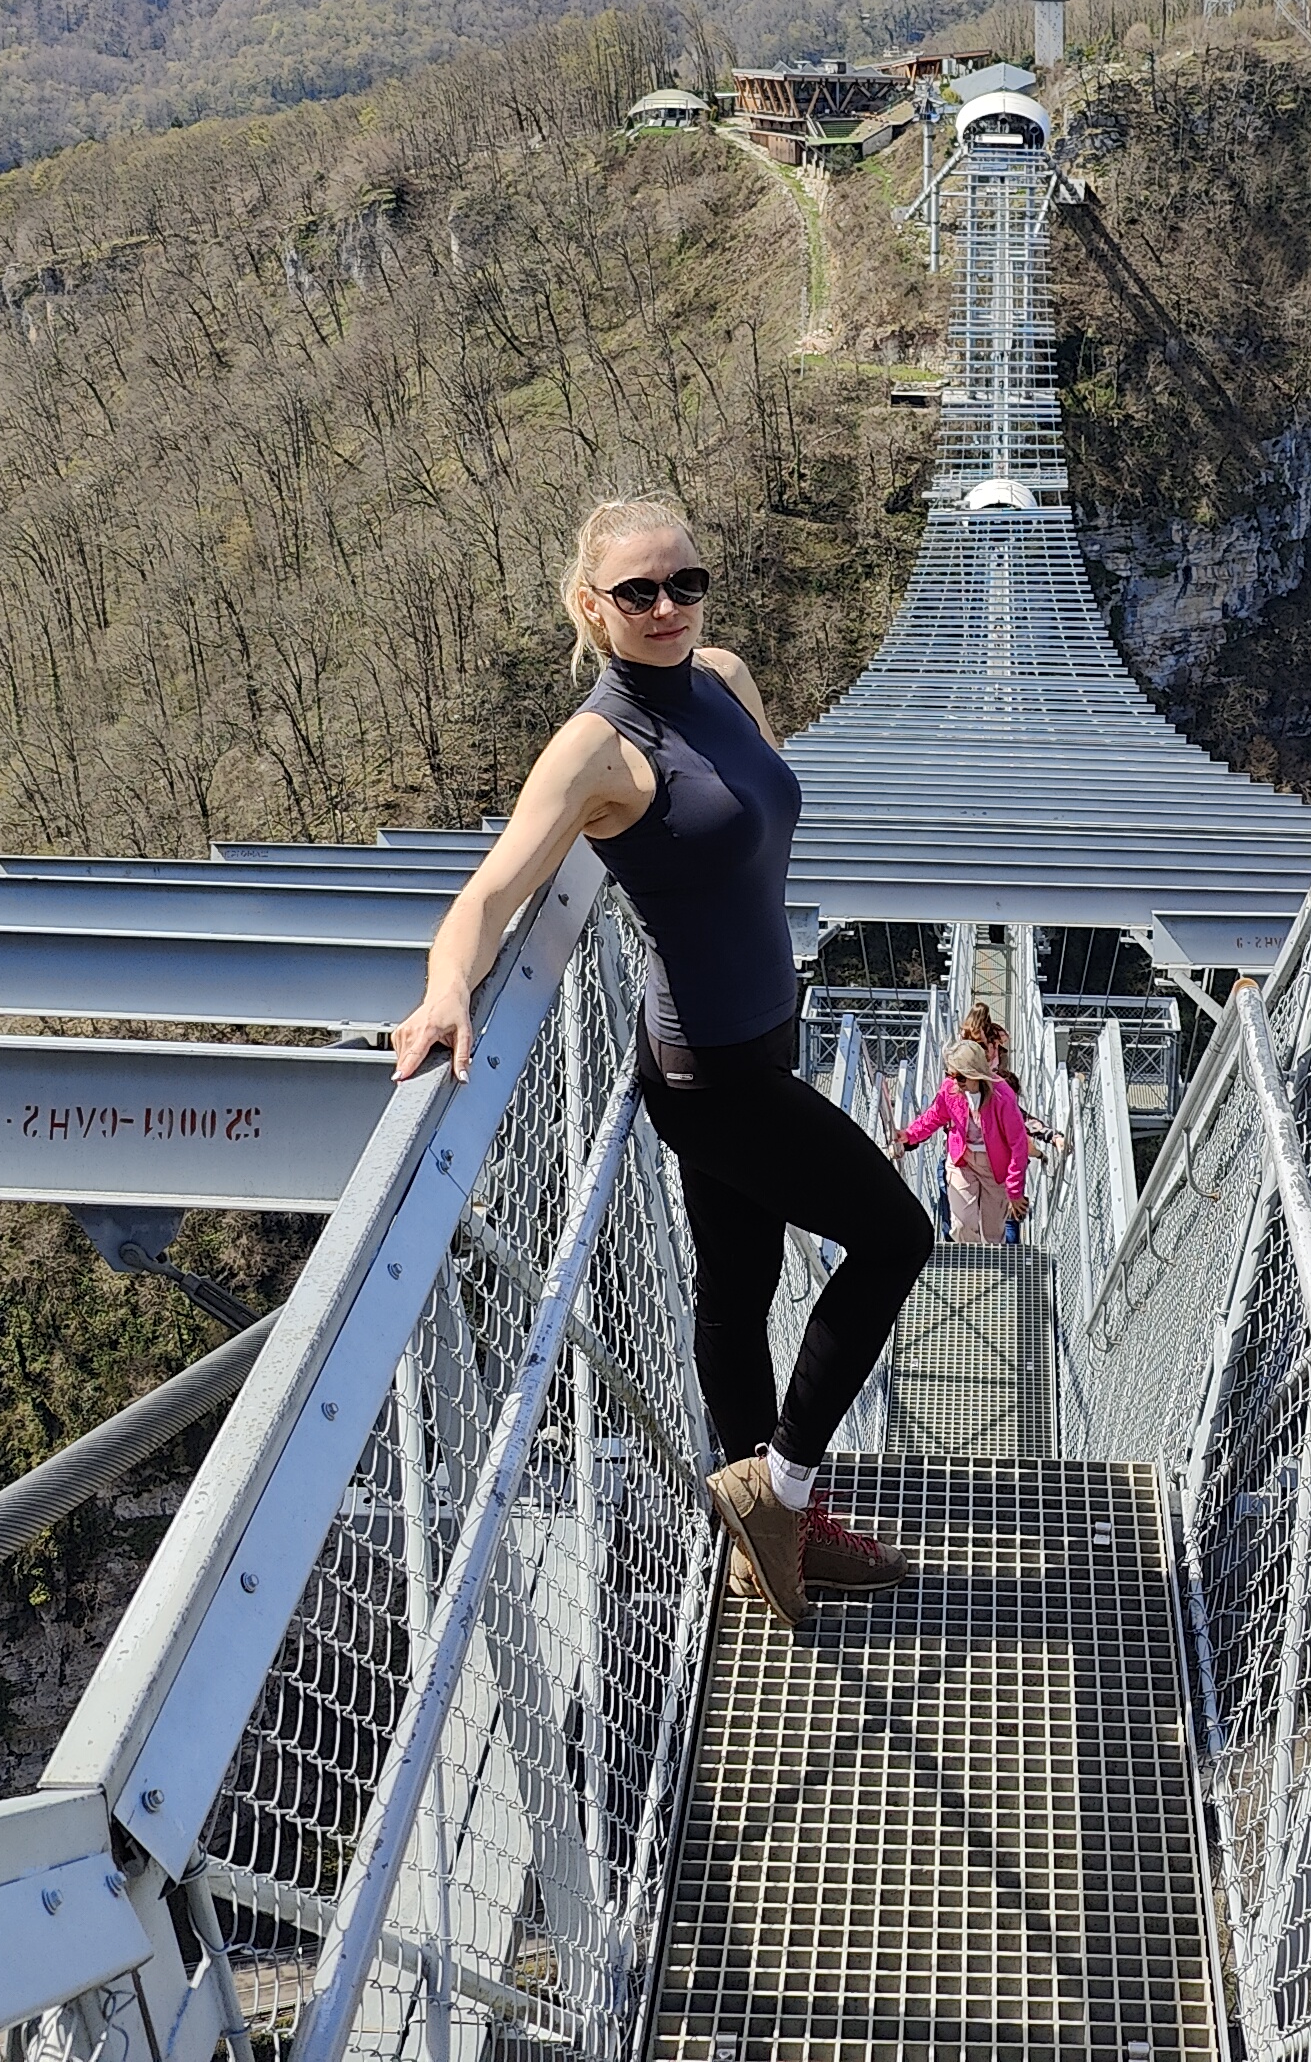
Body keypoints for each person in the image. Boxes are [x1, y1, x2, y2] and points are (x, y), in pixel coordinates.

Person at [392, 496, 931, 1627]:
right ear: (591, 606)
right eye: (637, 591)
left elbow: (753, 821)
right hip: (708, 1072)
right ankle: (781, 1485)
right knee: (895, 1234)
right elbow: (492, 891)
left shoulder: (726, 675)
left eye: (686, 581)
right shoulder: (595, 745)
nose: (668, 607)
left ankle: (764, 1545)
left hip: (765, 1025)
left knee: (736, 1291)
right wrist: (447, 989)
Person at [892, 1005, 1031, 1247]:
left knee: (993, 1231)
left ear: (976, 1074)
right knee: (962, 1223)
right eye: (951, 1075)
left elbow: (1018, 1145)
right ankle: (971, 1266)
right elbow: (934, 1116)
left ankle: (990, 1269)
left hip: (994, 1166)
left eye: (960, 1077)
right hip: (963, 1160)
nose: (954, 1082)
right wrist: (909, 1136)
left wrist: (1014, 1190)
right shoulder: (951, 1089)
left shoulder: (1003, 1097)